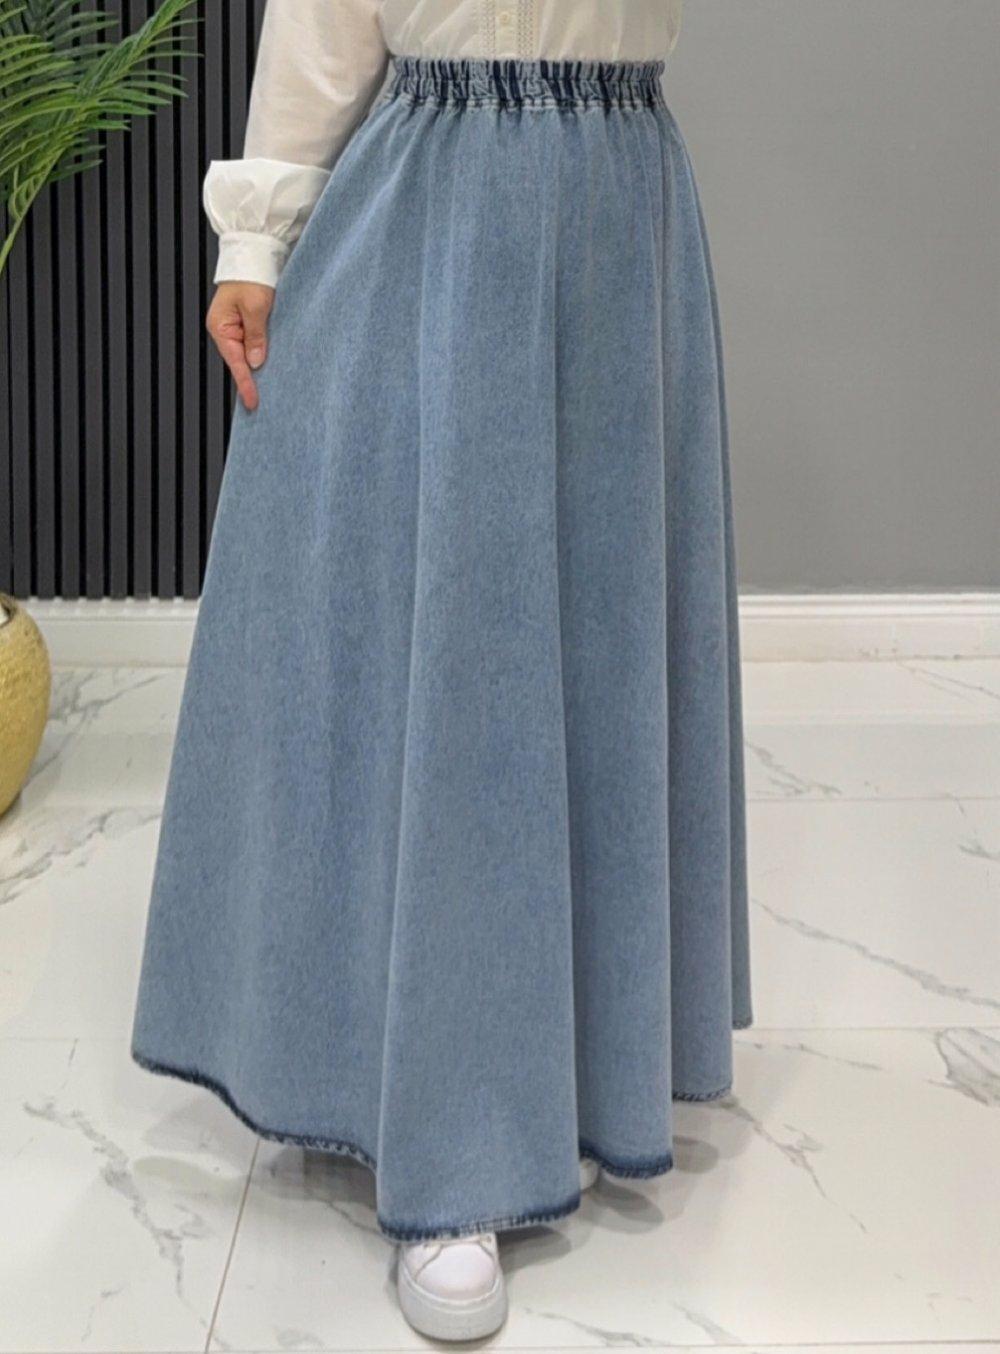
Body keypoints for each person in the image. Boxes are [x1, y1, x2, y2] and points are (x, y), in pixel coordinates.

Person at [130, 0, 752, 1341]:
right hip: (433, 200)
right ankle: (450, 1146)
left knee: (587, 648)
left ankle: (586, 1065)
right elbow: (323, 21)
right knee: (445, 670)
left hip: (620, 197)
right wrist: (257, 239)